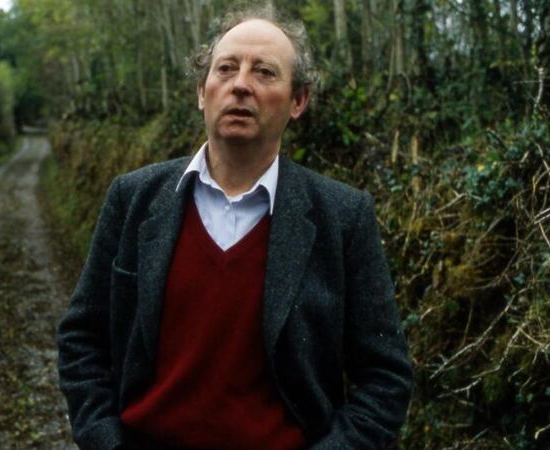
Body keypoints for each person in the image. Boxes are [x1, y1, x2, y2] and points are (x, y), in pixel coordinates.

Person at [57, 5, 412, 450]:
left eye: (264, 72)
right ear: (203, 92)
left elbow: (385, 377)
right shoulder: (134, 199)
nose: (240, 84)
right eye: (226, 68)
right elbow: (82, 339)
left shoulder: (343, 216)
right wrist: (106, 440)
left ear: (298, 101)